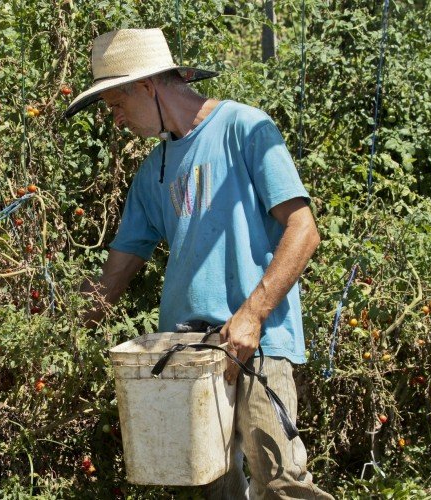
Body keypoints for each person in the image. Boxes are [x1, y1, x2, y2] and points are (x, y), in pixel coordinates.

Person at [64, 28, 333, 500]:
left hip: (257, 343)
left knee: (283, 482)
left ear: (147, 86)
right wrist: (60, 330)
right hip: (186, 352)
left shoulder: (245, 129)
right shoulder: (153, 171)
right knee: (205, 485)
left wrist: (251, 316)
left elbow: (304, 230)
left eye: (116, 105)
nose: (117, 120)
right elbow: (118, 271)